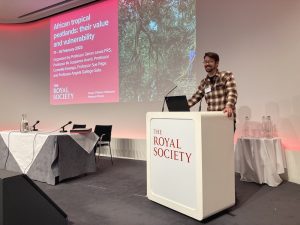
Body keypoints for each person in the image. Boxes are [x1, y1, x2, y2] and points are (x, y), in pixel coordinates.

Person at [188, 52, 238, 130]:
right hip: (211, 120)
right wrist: (181, 107)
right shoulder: (204, 82)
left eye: (210, 61)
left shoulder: (226, 75)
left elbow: (232, 92)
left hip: (225, 118)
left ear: (217, 63)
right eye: (205, 62)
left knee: (224, 142)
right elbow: (195, 98)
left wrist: (229, 106)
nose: (207, 64)